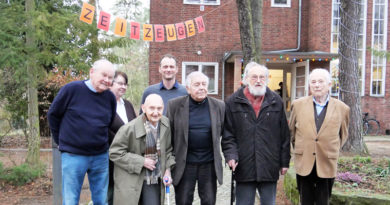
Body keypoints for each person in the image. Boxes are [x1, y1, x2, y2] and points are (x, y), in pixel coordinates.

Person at [48, 59, 116, 205]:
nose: (107, 80)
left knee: (101, 200)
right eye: (104, 75)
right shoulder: (71, 90)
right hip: (73, 156)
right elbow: (53, 115)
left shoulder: (110, 97)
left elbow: (108, 122)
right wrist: (61, 142)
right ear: (92, 72)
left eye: (110, 78)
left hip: (100, 156)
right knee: (71, 200)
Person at [222, 62, 290, 205]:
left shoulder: (276, 101)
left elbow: (284, 135)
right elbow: (228, 135)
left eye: (262, 77)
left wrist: (284, 162)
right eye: (254, 77)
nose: (258, 80)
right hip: (244, 165)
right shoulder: (233, 102)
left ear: (267, 79)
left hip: (269, 165)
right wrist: (231, 155)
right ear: (246, 79)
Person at [289, 68, 350, 205]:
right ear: (309, 85)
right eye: (313, 82)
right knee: (305, 200)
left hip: (327, 161)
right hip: (304, 161)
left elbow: (343, 135)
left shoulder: (342, 108)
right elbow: (291, 132)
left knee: (324, 201)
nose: (317, 85)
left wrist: (330, 149)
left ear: (329, 85)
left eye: (321, 82)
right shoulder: (298, 105)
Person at [166, 71, 225, 205]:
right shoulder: (174, 105)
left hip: (209, 163)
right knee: (183, 201)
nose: (201, 87)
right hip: (185, 163)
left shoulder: (219, 106)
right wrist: (167, 165)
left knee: (209, 201)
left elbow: (224, 134)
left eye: (204, 84)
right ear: (188, 88)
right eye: (197, 84)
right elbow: (168, 136)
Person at [109, 94, 175, 205]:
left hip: (153, 178)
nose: (155, 112)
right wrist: (142, 161)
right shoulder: (128, 129)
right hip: (131, 178)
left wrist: (167, 170)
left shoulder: (165, 124)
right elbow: (114, 153)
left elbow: (168, 151)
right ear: (143, 108)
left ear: (163, 108)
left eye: (159, 108)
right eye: (152, 108)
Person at [107, 71, 137, 205]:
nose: (123, 87)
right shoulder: (104, 104)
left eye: (125, 84)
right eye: (120, 83)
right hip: (110, 158)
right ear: (110, 84)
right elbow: (104, 130)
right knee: (109, 193)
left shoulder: (128, 105)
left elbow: (136, 127)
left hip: (128, 157)